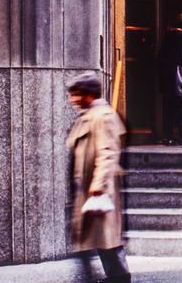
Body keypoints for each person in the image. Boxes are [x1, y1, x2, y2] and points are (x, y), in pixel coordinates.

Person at [66, 73, 131, 283]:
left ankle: (119, 277)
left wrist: (98, 184)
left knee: (105, 239)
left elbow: (108, 152)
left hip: (96, 190)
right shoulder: (89, 114)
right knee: (95, 239)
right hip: (86, 188)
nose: (73, 99)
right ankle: (112, 276)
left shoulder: (102, 115)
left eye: (77, 94)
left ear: (90, 93)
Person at [156, 12, 182, 146]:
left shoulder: (168, 37)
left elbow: (160, 58)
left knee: (169, 107)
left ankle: (168, 136)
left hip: (168, 77)